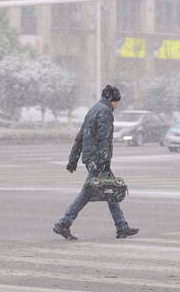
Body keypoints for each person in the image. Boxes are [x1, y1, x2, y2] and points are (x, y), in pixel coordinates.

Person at [53, 85, 139, 240]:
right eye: (117, 101)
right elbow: (104, 137)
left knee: (111, 190)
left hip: (91, 157)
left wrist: (73, 159)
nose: (117, 105)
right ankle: (64, 223)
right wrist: (105, 160)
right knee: (90, 192)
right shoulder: (105, 112)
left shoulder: (93, 110)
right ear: (113, 99)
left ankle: (121, 227)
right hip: (98, 159)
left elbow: (81, 135)